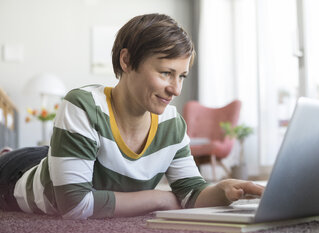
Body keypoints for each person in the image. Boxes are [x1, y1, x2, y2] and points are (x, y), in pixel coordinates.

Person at [0, 13, 264, 219]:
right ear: (126, 61)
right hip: (15, 175)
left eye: (181, 76)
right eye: (165, 73)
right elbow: (75, 206)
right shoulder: (82, 106)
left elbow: (190, 193)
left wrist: (225, 189)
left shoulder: (172, 124)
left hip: (61, 159)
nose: (176, 89)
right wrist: (159, 197)